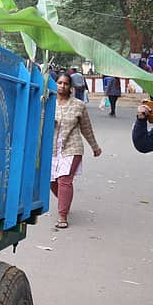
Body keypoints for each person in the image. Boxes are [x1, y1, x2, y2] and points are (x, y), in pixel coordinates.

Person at [51, 72, 102, 228]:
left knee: (64, 180)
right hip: (51, 149)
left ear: (70, 87)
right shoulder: (48, 102)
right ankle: (64, 201)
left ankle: (62, 216)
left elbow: (86, 127)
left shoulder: (78, 105)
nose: (62, 86)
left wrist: (95, 146)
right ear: (55, 84)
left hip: (72, 147)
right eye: (59, 83)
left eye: (66, 83)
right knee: (52, 181)